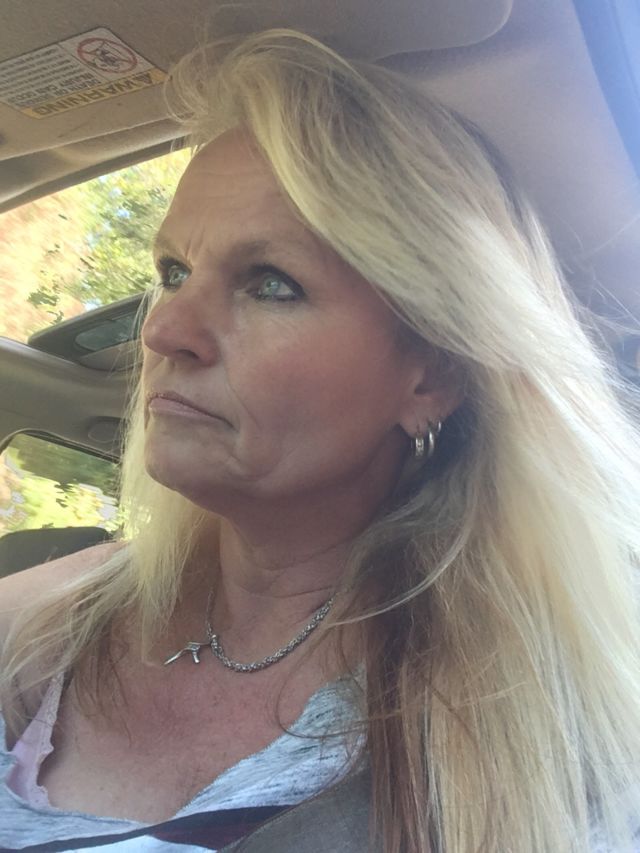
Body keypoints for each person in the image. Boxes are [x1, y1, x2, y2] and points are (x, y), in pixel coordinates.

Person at [1, 27, 639, 853]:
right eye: (173, 272)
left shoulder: (536, 735)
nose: (164, 330)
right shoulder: (55, 613)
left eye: (271, 284)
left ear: (430, 378)